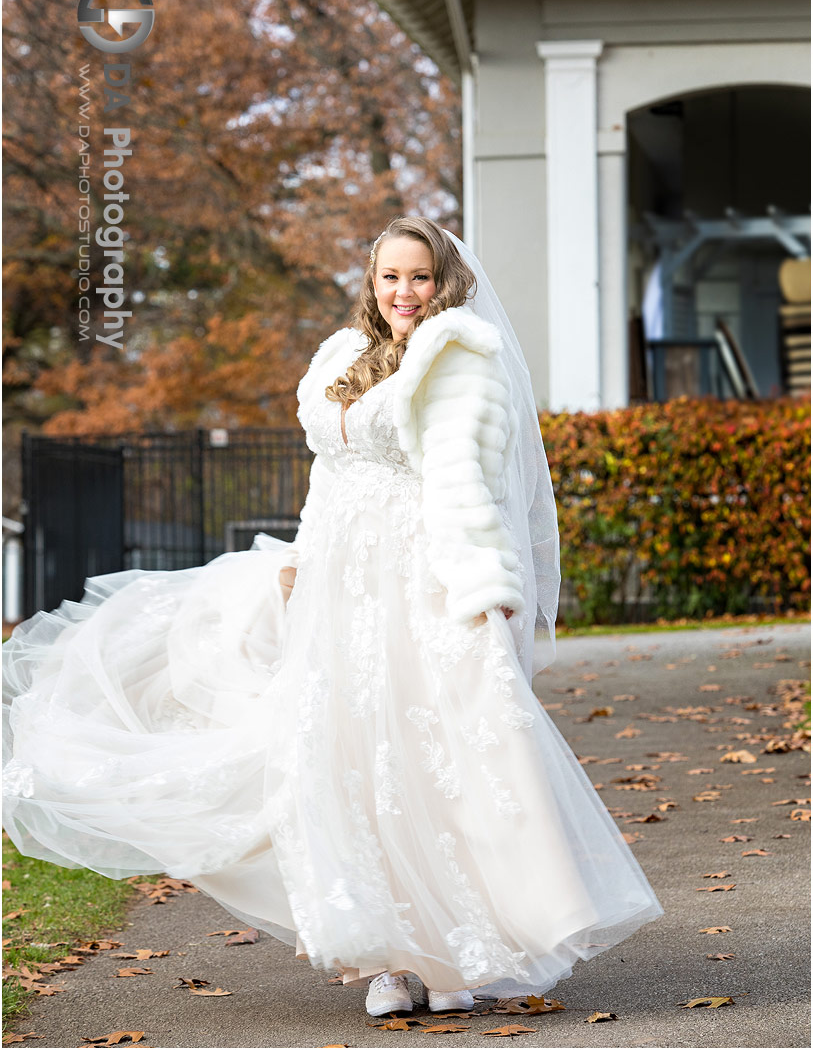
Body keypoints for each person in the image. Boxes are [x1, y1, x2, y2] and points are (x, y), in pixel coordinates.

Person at [2, 216, 663, 1021]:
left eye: (418, 277)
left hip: (419, 582)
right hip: (340, 585)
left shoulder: (460, 356)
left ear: (443, 281)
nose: (404, 293)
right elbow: (331, 476)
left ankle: (459, 950)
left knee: (438, 757)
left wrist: (484, 588)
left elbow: (465, 487)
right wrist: (304, 559)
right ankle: (386, 957)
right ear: (371, 281)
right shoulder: (340, 357)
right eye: (389, 277)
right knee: (347, 761)